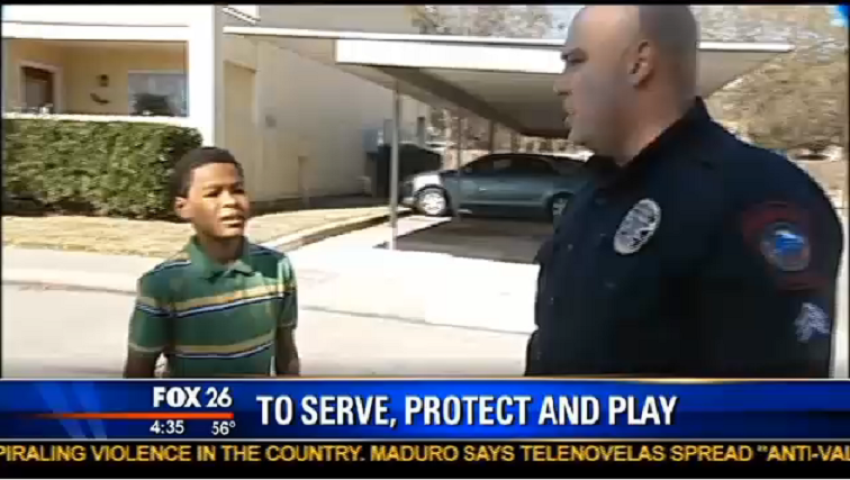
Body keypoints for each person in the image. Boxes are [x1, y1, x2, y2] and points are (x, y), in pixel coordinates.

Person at [527, 5, 844, 377]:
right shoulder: (594, 193)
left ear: (638, 64)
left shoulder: (756, 196)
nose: (559, 84)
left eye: (575, 61)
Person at [123, 147, 300, 378]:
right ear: (182, 207)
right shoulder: (162, 284)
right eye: (213, 193)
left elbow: (286, 351)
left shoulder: (277, 268)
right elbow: (138, 372)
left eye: (237, 190)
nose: (230, 202)